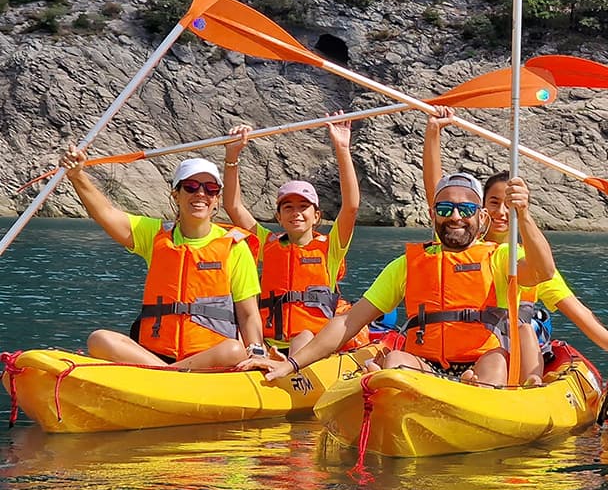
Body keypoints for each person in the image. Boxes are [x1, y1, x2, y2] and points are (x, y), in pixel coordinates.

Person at [238, 171, 556, 387]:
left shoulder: (500, 259)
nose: (456, 217)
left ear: (481, 217)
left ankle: (477, 392)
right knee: (396, 359)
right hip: (426, 364)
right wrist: (290, 365)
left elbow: (543, 271)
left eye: (466, 208)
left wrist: (524, 215)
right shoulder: (406, 265)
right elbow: (349, 323)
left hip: (483, 360)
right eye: (445, 209)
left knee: (497, 361)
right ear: (433, 215)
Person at [423, 108, 608, 356]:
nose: (501, 212)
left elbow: (581, 316)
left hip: (512, 353)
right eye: (494, 202)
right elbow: (437, 194)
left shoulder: (529, 261)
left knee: (527, 330)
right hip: (463, 350)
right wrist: (433, 132)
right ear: (480, 211)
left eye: (510, 205)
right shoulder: (457, 240)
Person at [60, 147, 266, 370]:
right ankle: (170, 374)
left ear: (216, 199)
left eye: (211, 189)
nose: (200, 194)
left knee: (234, 349)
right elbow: (107, 213)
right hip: (156, 353)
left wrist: (256, 351)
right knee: (99, 339)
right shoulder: (154, 235)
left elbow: (248, 314)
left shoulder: (235, 247)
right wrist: (77, 175)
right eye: (191, 187)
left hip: (212, 358)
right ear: (176, 195)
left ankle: (165, 375)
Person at [222, 114, 362, 357]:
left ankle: (286, 367)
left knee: (303, 337)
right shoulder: (268, 244)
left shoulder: (331, 248)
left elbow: (350, 206)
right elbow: (234, 207)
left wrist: (342, 148)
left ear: (316, 216)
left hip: (312, 344)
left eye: (303, 207)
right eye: (288, 207)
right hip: (269, 341)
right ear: (278, 216)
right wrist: (232, 157)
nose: (296, 213)